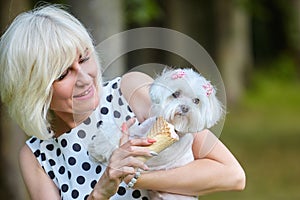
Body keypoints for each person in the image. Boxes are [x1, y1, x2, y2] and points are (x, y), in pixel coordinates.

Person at [0, 5, 245, 200]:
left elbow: (231, 174)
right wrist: (101, 192)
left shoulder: (129, 90)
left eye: (84, 59)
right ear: (32, 90)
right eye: (63, 74)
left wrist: (135, 178)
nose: (85, 79)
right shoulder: (37, 157)